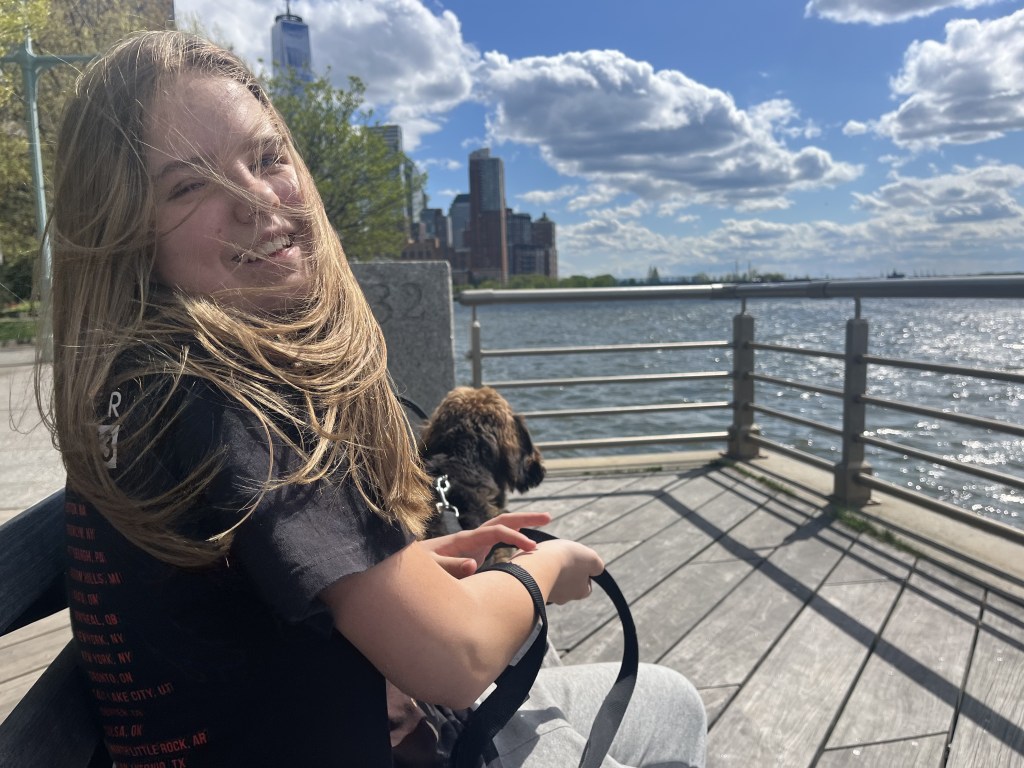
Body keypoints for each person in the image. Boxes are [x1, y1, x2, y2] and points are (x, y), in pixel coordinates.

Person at [40, 29, 707, 767]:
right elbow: (457, 659)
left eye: (267, 157)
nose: (256, 198)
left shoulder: (144, 391)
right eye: (188, 185)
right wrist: (547, 572)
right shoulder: (235, 404)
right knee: (667, 712)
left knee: (670, 700)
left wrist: (409, 568)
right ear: (122, 228)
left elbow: (244, 601)